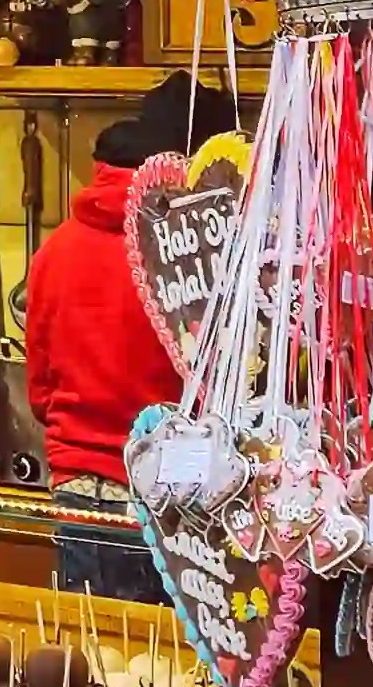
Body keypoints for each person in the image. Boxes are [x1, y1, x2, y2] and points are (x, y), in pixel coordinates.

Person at [24, 71, 230, 484]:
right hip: (167, 488)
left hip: (75, 482)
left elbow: (41, 392)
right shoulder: (195, 256)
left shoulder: (55, 249)